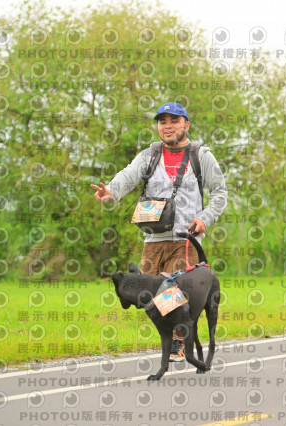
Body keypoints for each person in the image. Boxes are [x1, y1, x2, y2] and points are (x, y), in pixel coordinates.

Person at [91, 102, 228, 360]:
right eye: (162, 121)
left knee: (176, 292)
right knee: (153, 296)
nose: (168, 126)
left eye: (174, 121)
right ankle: (179, 333)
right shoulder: (150, 155)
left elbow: (220, 193)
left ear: (187, 125)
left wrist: (205, 219)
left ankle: (179, 339)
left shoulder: (201, 156)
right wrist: (110, 192)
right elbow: (127, 176)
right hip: (153, 238)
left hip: (186, 238)